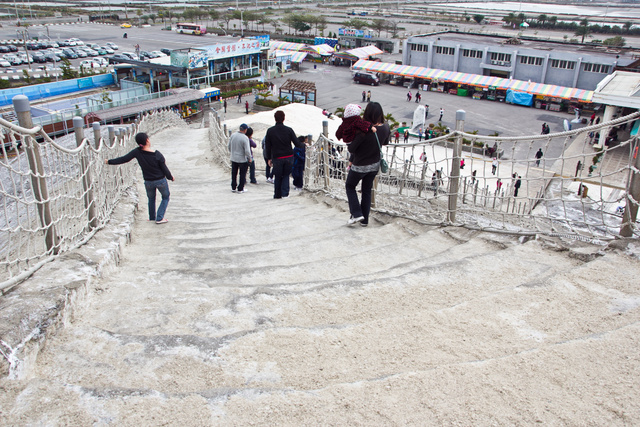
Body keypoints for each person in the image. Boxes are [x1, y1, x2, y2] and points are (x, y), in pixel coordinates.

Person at [105, 132, 174, 224]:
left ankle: (152, 218)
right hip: (160, 180)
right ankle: (160, 217)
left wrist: (109, 161)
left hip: (148, 182)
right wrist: (170, 177)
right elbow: (164, 169)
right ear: (147, 140)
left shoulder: (137, 152)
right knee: (165, 197)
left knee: (151, 199)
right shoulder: (157, 155)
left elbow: (124, 159)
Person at [345, 101, 390, 227]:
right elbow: (386, 142)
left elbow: (352, 148)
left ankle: (356, 213)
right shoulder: (386, 127)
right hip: (374, 165)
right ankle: (364, 220)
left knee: (350, 186)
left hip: (360, 165)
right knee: (366, 190)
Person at [264, 110, 304, 199]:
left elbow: (268, 146)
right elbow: (297, 143)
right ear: (284, 119)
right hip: (289, 156)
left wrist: (269, 158)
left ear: (275, 119)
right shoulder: (289, 130)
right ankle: (285, 194)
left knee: (278, 176)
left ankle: (277, 195)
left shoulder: (270, 131)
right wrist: (305, 146)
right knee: (286, 175)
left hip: (277, 157)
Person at [228, 123, 252, 193]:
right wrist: (249, 158)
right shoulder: (245, 138)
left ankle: (233, 187)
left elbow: (229, 146)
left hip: (234, 158)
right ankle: (240, 188)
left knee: (234, 173)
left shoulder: (233, 135)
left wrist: (232, 152)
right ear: (245, 130)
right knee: (242, 174)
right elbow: (247, 150)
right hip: (242, 159)